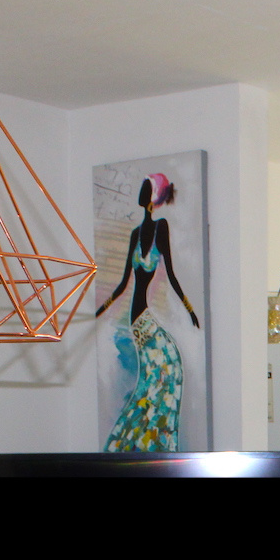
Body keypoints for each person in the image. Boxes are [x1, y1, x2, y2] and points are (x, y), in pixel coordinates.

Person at [97, 173, 200, 451]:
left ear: (153, 197)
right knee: (156, 375)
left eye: (146, 188)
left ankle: (151, 441)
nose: (141, 192)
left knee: (166, 369)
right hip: (138, 318)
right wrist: (99, 310)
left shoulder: (160, 228)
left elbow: (172, 275)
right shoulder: (135, 234)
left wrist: (190, 310)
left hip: (146, 316)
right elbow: (123, 283)